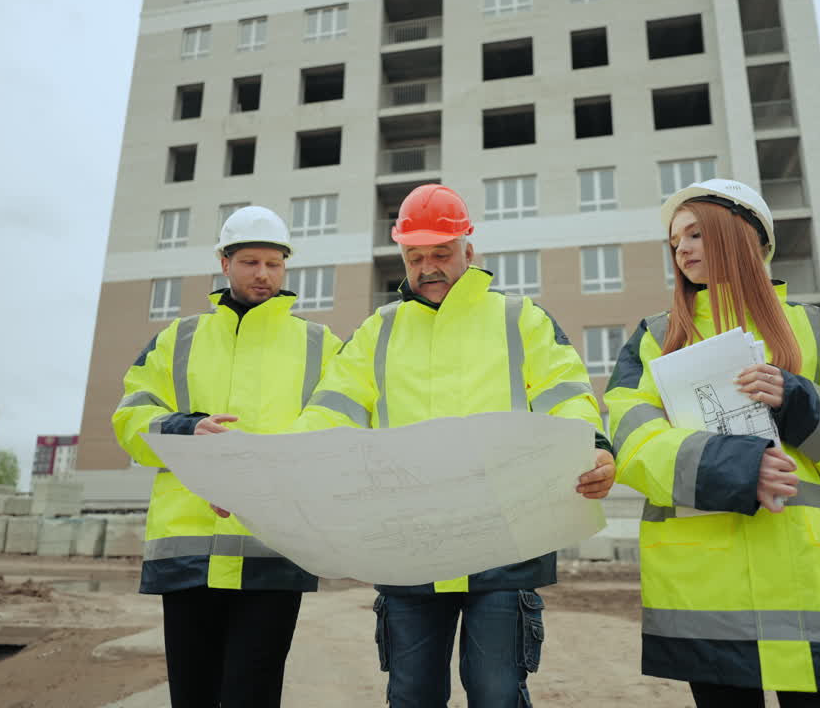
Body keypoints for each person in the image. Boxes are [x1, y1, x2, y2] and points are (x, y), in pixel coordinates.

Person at [292, 183, 616, 708]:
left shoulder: (520, 319)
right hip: (409, 545)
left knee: (496, 693)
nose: (428, 268)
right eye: (414, 257)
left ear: (469, 249)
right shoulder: (378, 331)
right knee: (412, 695)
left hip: (504, 539)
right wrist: (278, 467)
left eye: (441, 254)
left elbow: (567, 397)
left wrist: (592, 448)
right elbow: (330, 411)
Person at [604, 179, 820, 707]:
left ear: (745, 237)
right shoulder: (655, 337)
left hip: (815, 585)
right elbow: (632, 441)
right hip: (708, 588)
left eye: (696, 234)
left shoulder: (816, 329)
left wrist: (799, 402)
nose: (682, 251)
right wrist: (735, 468)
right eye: (675, 242)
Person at [111, 206, 343, 708]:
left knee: (251, 695)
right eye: (250, 262)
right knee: (192, 697)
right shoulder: (178, 339)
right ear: (224, 263)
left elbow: (341, 424)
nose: (264, 274)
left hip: (273, 548)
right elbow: (130, 416)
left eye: (274, 264)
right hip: (188, 554)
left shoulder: (320, 344)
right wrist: (186, 429)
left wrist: (263, 470)